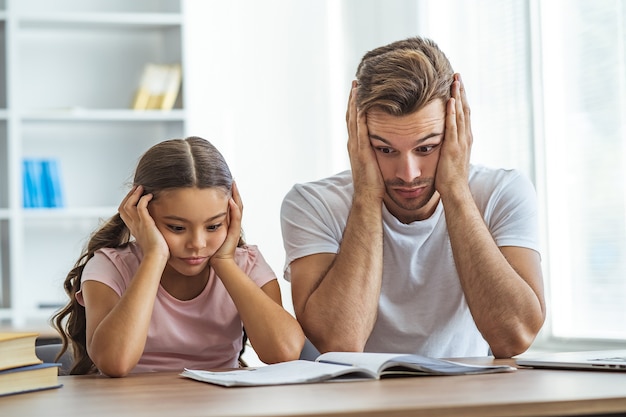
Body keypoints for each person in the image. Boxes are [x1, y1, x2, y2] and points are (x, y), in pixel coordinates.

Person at [280, 37, 545, 359]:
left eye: (427, 148)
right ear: (357, 137)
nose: (408, 173)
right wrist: (366, 195)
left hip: (462, 400)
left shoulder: (502, 192)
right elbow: (340, 344)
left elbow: (514, 337)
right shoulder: (312, 204)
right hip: (350, 402)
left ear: (457, 131)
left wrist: (457, 192)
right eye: (385, 149)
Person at [53, 136, 304, 376]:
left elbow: (285, 352)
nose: (197, 244)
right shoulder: (110, 267)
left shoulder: (246, 265)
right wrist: (153, 256)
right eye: (177, 228)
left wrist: (225, 263)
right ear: (141, 213)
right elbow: (114, 363)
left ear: (232, 215)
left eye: (213, 226)